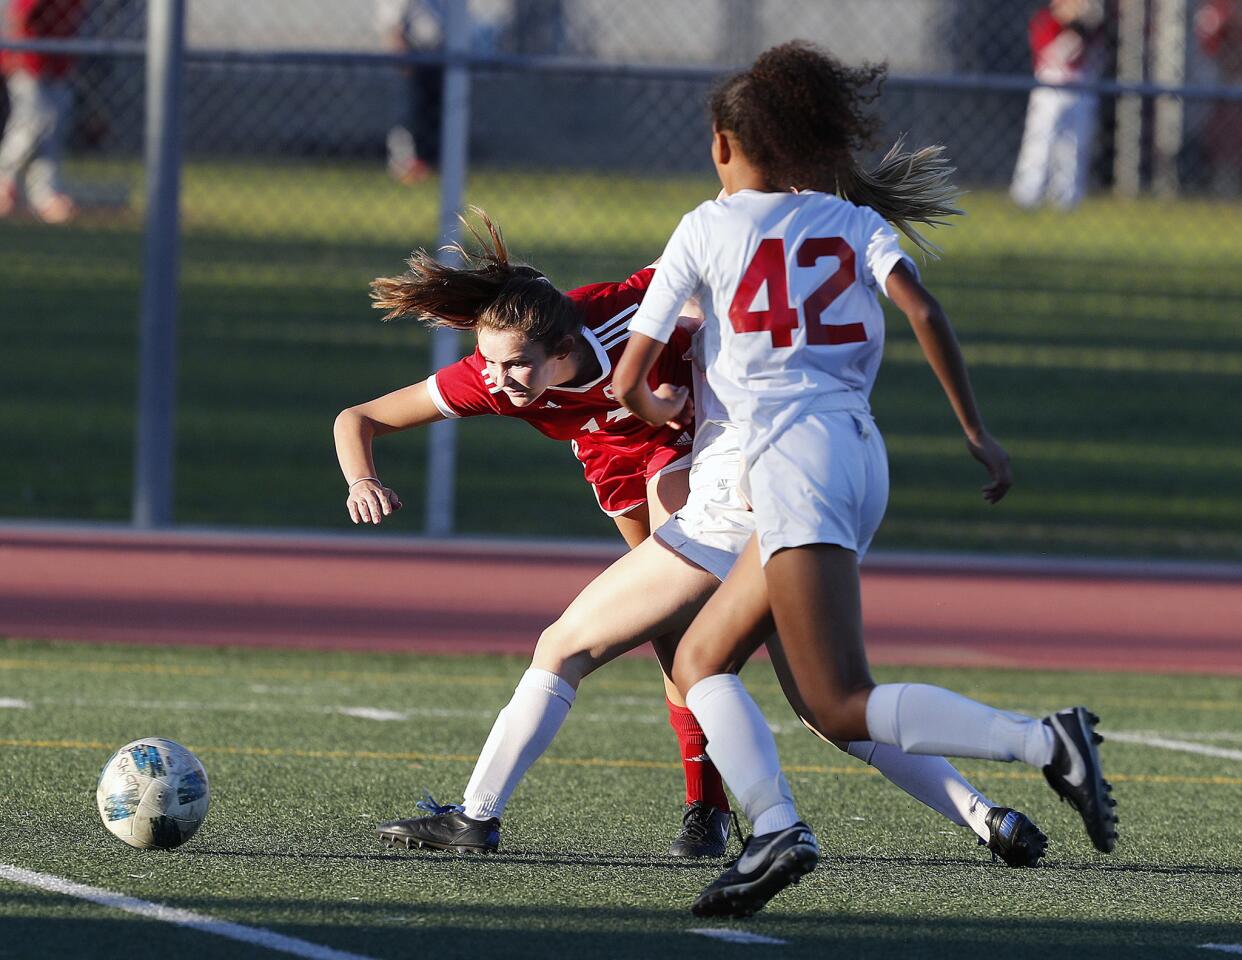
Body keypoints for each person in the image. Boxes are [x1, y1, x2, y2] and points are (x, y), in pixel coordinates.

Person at [368, 217, 1047, 873]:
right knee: (823, 703)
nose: (497, 380)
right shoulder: (822, 258)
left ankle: (496, 815)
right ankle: (992, 813)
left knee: (593, 648)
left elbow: (656, 353)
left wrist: (656, 396)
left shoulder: (692, 266)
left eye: (512, 365)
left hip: (726, 502)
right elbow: (914, 314)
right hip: (817, 482)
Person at [615, 41, 1117, 917]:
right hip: (854, 453)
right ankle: (773, 830)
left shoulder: (706, 223)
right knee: (701, 660)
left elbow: (629, 380)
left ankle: (1045, 742)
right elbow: (922, 309)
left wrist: (656, 414)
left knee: (838, 702)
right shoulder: (849, 220)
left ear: (728, 144)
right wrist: (976, 432)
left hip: (790, 463)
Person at [334, 213, 733, 856]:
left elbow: (707, 262)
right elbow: (359, 419)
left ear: (564, 350)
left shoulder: (618, 312)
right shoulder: (494, 375)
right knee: (675, 641)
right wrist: (361, 481)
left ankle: (712, 811)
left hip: (687, 444)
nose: (495, 379)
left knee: (681, 631)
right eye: (489, 363)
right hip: (612, 463)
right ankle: (714, 811)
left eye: (514, 364)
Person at [1009, 0, 1106, 210]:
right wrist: (1073, 29)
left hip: (1081, 86)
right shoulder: (1046, 20)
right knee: (1040, 142)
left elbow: (1097, 57)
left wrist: (1086, 27)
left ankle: (1067, 198)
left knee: (1074, 145)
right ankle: (1028, 194)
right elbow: (1053, 55)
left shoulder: (1092, 26)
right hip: (1050, 87)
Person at [0, 0, 86, 223]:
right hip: (28, 60)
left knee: (54, 128)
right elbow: (18, 16)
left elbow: (75, 21)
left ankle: (45, 195)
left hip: (59, 63)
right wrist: (16, 54)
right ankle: (4, 179)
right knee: (32, 122)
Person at [377, 0, 444, 184]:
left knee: (433, 112)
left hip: (437, 55)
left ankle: (428, 163)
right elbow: (392, 22)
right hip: (413, 53)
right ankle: (404, 164)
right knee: (407, 112)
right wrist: (400, 51)